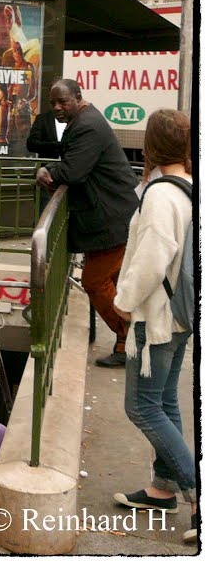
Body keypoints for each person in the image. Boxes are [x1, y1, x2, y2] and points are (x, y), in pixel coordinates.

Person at [112, 109, 197, 544]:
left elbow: (151, 260)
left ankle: (197, 495)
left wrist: (123, 302)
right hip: (180, 315)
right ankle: (163, 489)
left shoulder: (162, 196)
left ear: (152, 145)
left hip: (158, 317)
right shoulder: (188, 187)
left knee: (142, 407)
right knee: (165, 401)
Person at [35, 79, 139, 367]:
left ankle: (128, 339)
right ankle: (127, 342)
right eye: (53, 102)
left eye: (63, 101)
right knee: (113, 282)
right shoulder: (85, 121)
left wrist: (47, 172)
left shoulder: (87, 125)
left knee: (94, 281)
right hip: (112, 216)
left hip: (111, 219)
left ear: (78, 98)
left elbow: (74, 170)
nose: (57, 107)